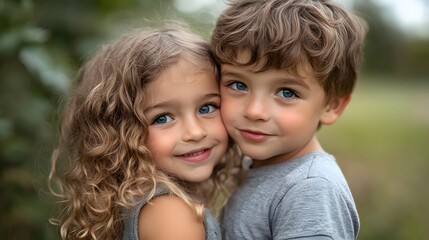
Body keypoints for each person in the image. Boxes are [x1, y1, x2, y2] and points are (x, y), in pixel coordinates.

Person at [48, 25, 241, 240]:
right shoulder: (171, 214)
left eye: (207, 108)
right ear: (121, 134)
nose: (195, 132)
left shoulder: (139, 203)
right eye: (163, 118)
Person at [211, 0, 367, 239]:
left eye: (287, 92)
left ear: (332, 105)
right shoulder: (254, 166)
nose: (254, 111)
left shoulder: (311, 188)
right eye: (238, 85)